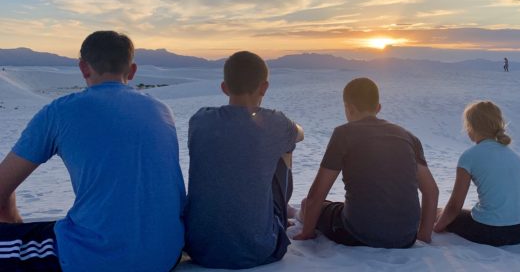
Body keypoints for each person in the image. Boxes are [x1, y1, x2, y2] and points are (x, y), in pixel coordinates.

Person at [0, 31, 186, 272]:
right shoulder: (162, 110)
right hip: (165, 255)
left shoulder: (59, 112)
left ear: (83, 68)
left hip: (95, 259)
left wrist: (14, 225)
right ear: (132, 71)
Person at [185, 51, 304, 269]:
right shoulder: (274, 122)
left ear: (224, 87)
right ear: (264, 87)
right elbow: (299, 134)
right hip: (259, 250)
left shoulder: (200, 119)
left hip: (200, 248)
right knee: (285, 150)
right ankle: (280, 213)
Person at [294, 77, 439, 247]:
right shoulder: (408, 136)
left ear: (348, 108)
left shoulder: (344, 134)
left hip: (358, 234)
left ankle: (295, 214)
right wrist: (423, 236)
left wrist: (307, 232)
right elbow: (431, 191)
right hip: (406, 237)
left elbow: (317, 194)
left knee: (305, 206)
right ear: (378, 108)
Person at [434, 101, 520, 246]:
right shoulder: (514, 156)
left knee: (440, 212)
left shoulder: (470, 156)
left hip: (490, 232)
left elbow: (454, 205)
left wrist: (438, 227)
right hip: (519, 231)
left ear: (471, 127)